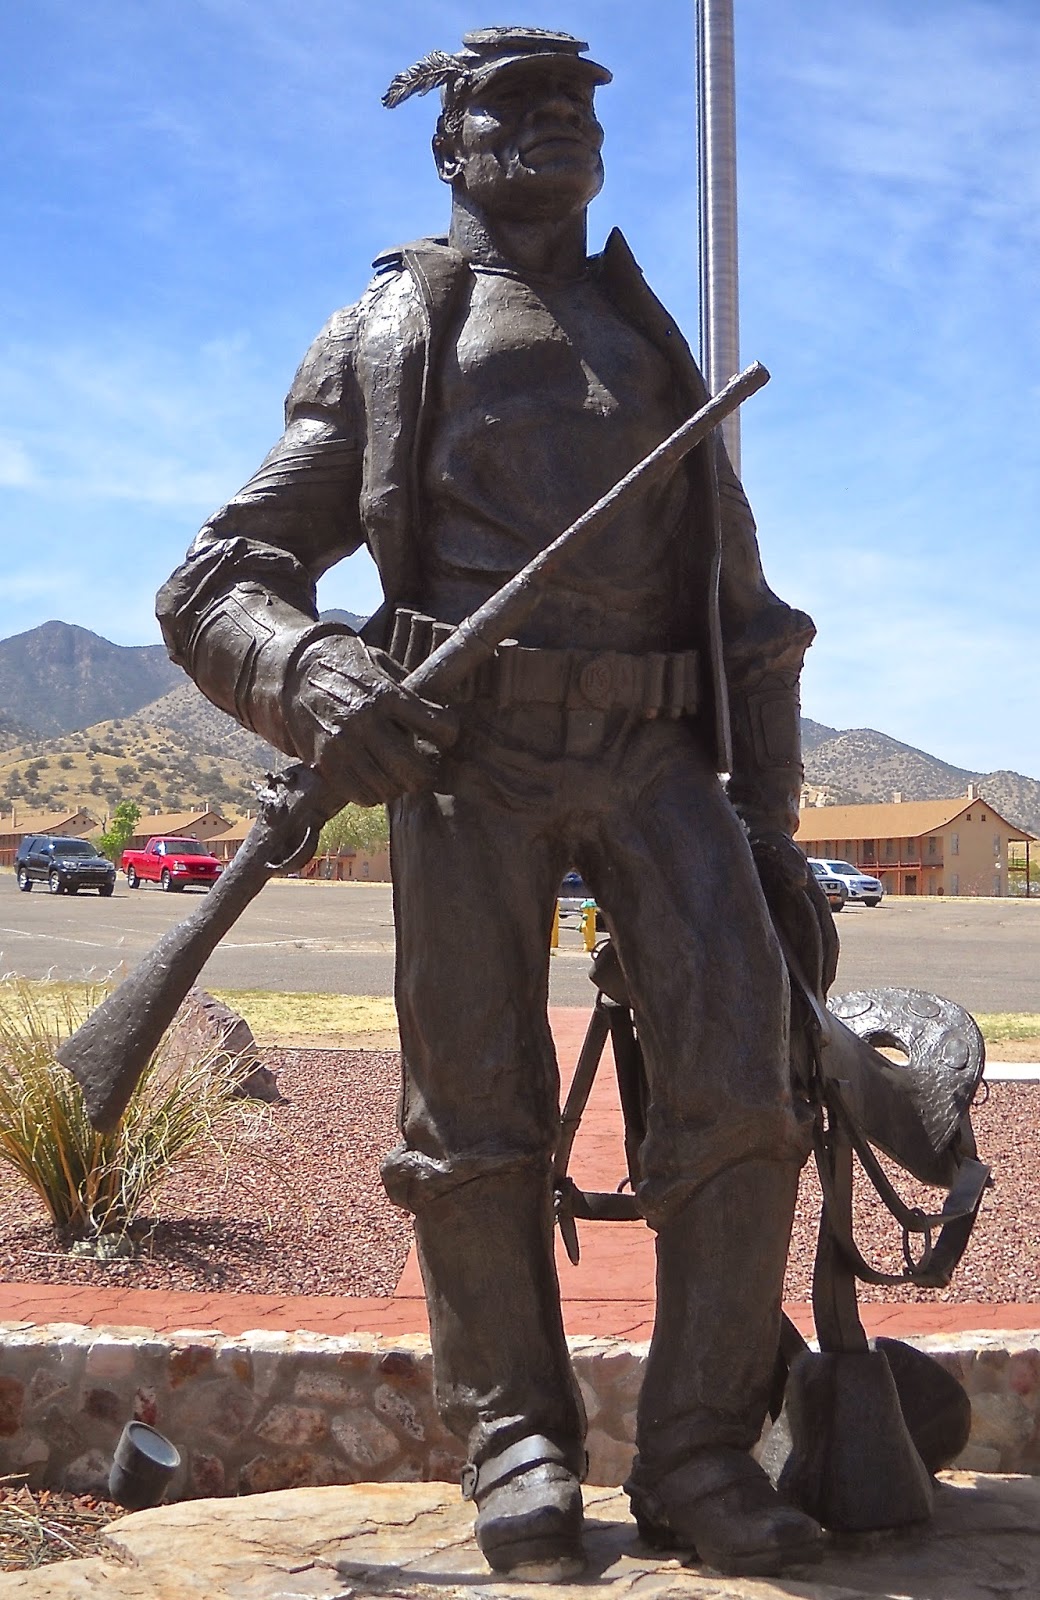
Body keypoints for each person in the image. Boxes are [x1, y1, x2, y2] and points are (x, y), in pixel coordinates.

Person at [157, 26, 827, 1580]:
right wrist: (310, 671)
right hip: (461, 764)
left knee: (744, 1095)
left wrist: (775, 825)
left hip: (665, 760)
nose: (553, 128)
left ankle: (703, 1454)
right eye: (511, 107)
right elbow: (219, 580)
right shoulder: (396, 329)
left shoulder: (652, 340)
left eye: (578, 107)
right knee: (472, 1119)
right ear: (446, 145)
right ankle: (516, 1441)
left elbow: (749, 611)